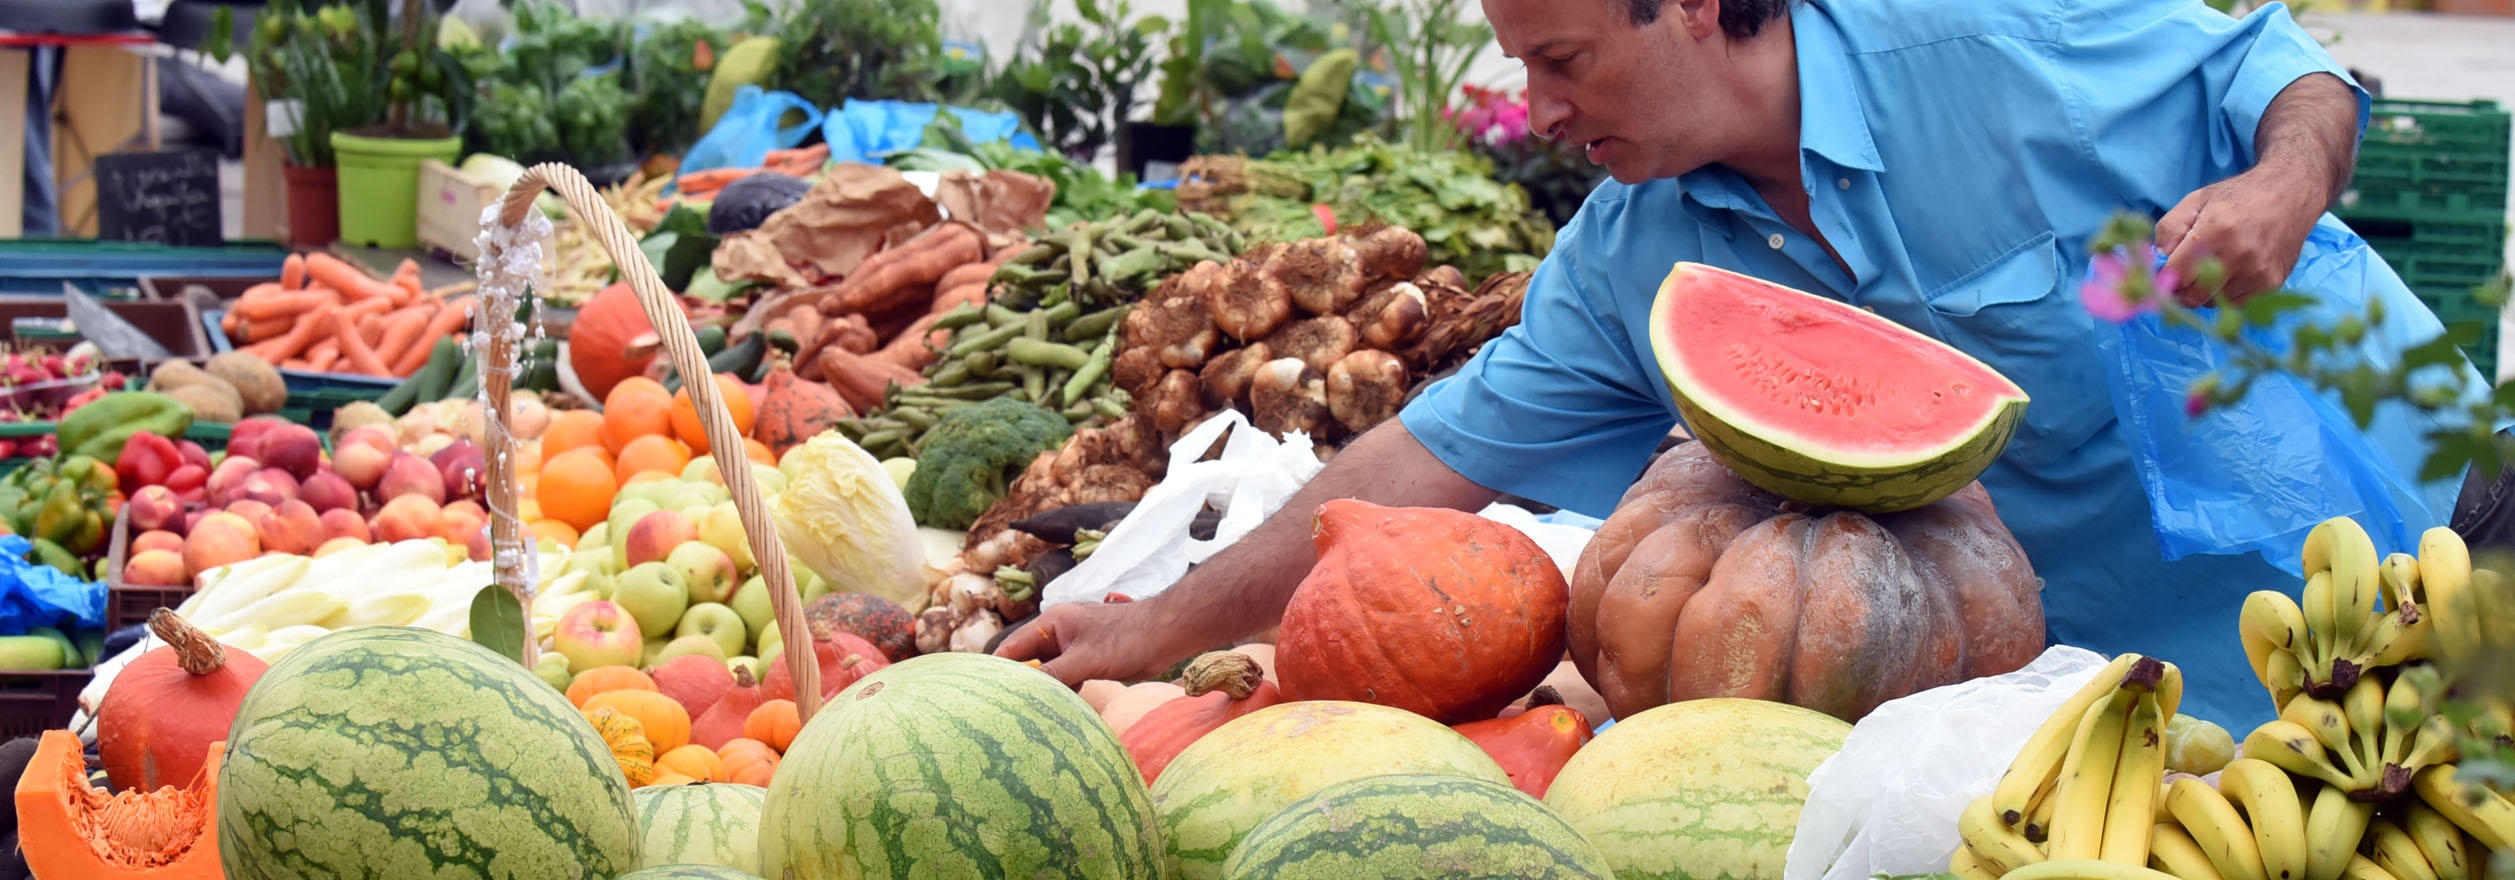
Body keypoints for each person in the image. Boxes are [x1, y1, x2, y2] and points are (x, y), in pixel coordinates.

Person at [997, 0, 2499, 729]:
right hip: (2153, 683)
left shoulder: (1984, 30)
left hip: (2425, 523)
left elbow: (2276, 63)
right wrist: (1149, 627)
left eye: (1565, 59)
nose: (1538, 102)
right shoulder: (1634, 254)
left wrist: (2286, 182)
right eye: (1521, 62)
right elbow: (1426, 462)